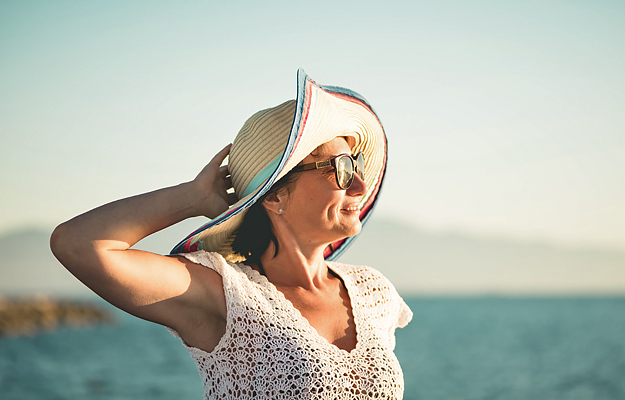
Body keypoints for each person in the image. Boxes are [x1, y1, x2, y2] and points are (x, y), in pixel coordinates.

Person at [51, 69, 412, 399]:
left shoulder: (373, 292)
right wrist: (191, 198)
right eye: (342, 168)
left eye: (357, 164)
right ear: (274, 196)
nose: (361, 185)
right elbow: (78, 244)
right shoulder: (226, 295)